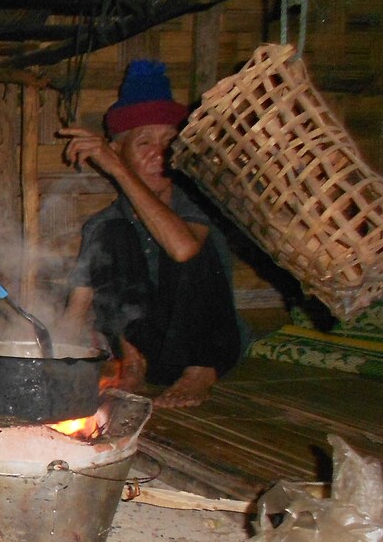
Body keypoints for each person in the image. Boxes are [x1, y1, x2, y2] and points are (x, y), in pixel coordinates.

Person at [58, 59, 246, 408]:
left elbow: (185, 250)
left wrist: (116, 169)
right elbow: (76, 311)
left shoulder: (197, 200)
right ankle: (134, 364)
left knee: (184, 244)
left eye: (168, 142)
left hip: (208, 346)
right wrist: (51, 368)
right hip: (155, 349)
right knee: (110, 233)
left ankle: (200, 371)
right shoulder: (104, 225)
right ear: (118, 150)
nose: (159, 154)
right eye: (143, 143)